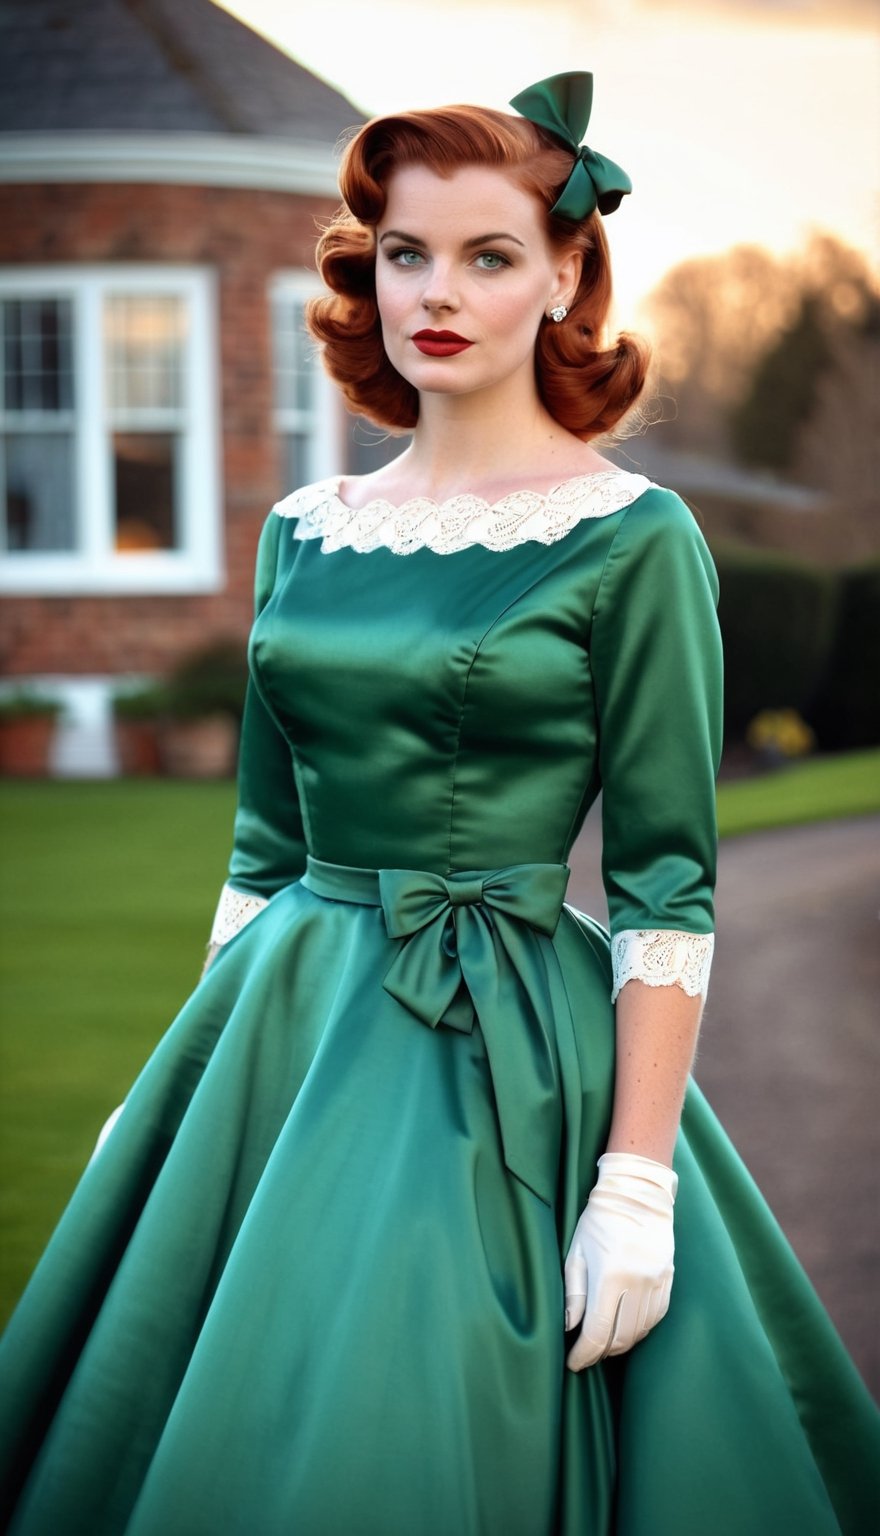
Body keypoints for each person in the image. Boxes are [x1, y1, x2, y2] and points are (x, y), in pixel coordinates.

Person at [0, 72, 877, 1536]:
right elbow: (265, 849)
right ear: (369, 268)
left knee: (424, 1408)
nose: (439, 293)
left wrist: (639, 1183)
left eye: (489, 256)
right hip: (284, 1013)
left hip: (508, 1042)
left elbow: (667, 881)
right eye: (409, 252)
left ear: (566, 277)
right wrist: (177, 1091)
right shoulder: (304, 530)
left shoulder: (636, 539)